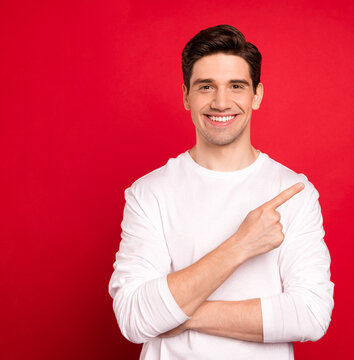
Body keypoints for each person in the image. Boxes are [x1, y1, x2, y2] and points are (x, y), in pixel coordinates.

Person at [109, 24, 334, 359]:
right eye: (206, 86)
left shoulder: (293, 192)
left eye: (236, 86)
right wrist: (241, 245)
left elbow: (311, 314)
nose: (221, 102)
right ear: (186, 95)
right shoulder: (149, 193)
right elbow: (133, 317)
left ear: (256, 95)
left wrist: (182, 315)